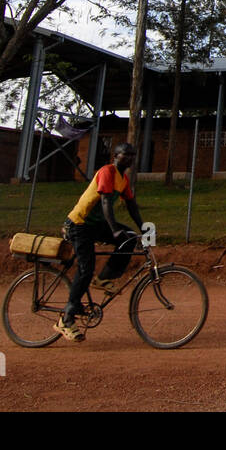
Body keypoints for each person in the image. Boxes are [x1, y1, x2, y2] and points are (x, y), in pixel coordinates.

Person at [57, 142, 145, 342]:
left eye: (132, 155)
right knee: (85, 269)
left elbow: (131, 205)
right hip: (79, 224)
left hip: (95, 225)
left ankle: (103, 278)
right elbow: (106, 202)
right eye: (125, 155)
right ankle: (67, 318)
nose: (129, 158)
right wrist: (114, 230)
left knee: (129, 237)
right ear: (115, 156)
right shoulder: (107, 172)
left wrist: (142, 226)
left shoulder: (123, 179)